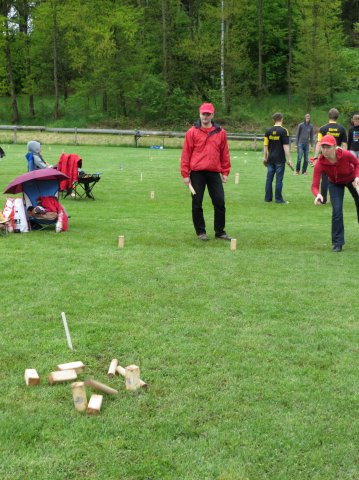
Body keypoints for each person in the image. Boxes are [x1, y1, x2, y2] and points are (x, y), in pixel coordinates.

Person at [180, 102, 232, 241]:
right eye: (203, 114)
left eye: (208, 114)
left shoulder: (221, 132)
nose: (205, 116)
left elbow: (224, 153)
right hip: (197, 173)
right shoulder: (192, 132)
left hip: (214, 172)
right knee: (197, 202)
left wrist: (225, 171)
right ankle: (201, 232)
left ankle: (220, 231)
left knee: (219, 201)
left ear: (212, 115)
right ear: (200, 114)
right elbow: (186, 154)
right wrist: (185, 174)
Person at [312, 134, 359, 252]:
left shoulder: (345, 154)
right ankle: (337, 243)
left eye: (328, 147)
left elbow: (357, 163)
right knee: (337, 211)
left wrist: (357, 177)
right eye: (323, 147)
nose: (325, 150)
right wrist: (317, 194)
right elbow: (314, 185)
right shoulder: (320, 163)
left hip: (352, 179)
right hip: (335, 183)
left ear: (334, 147)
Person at [313, 108, 347, 204]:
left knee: (324, 178)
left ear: (329, 116)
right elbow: (344, 144)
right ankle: (335, 199)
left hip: (325, 156)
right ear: (337, 117)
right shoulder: (342, 128)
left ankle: (323, 199)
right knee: (336, 178)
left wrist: (316, 157)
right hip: (337, 157)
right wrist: (344, 158)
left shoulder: (323, 128)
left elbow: (319, 143)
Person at [263, 112, 294, 203]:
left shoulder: (268, 131)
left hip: (270, 159)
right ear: (282, 119)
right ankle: (278, 199)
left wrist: (265, 158)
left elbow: (265, 145)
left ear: (274, 120)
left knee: (269, 179)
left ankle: (268, 199)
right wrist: (289, 159)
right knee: (279, 179)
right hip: (280, 159)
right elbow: (286, 146)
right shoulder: (284, 131)